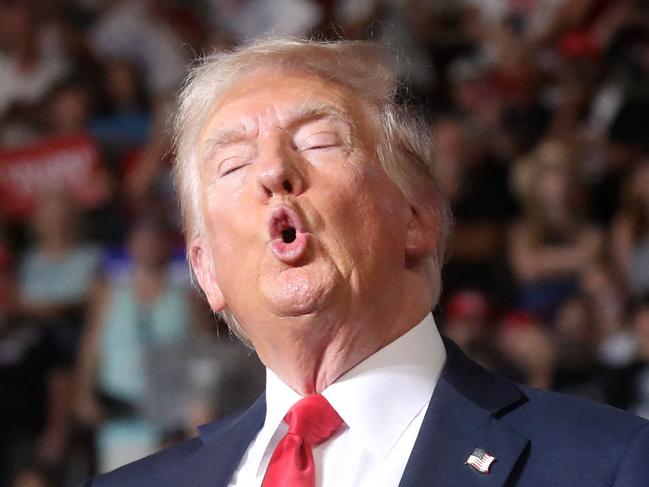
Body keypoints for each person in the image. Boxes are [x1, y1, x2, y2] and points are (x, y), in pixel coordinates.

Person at [82, 37, 649, 486]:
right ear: (205, 270)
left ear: (415, 218)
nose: (272, 172)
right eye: (231, 165)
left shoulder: (609, 465)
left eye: (319, 141)